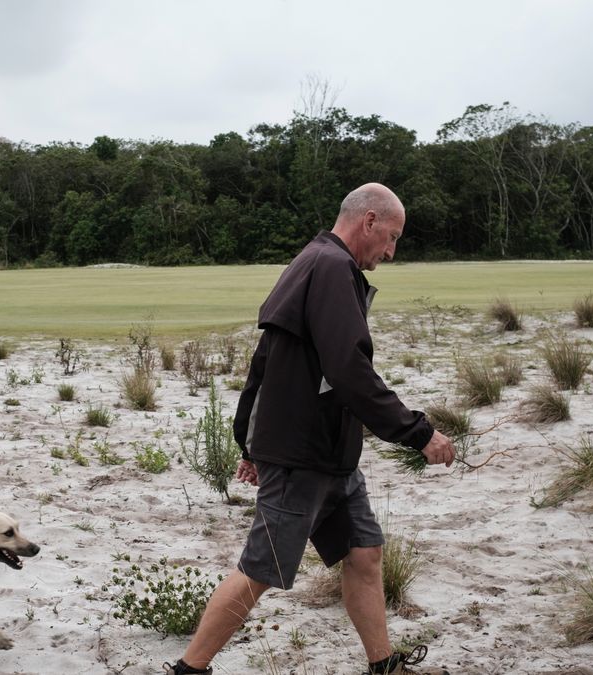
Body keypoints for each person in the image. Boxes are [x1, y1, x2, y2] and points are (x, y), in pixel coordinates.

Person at [164, 183, 456, 675]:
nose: (390, 251)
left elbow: (265, 363)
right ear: (368, 221)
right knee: (261, 569)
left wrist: (250, 443)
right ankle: (190, 669)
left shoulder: (315, 261)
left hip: (330, 453)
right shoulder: (330, 267)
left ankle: (384, 666)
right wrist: (417, 432)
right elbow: (349, 370)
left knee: (364, 553)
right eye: (391, 237)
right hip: (303, 456)